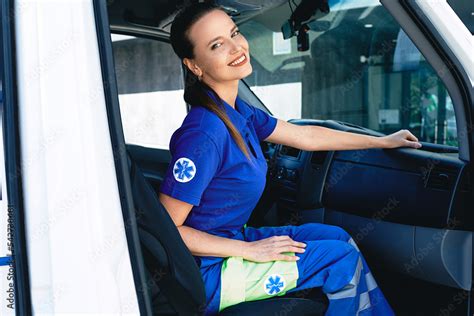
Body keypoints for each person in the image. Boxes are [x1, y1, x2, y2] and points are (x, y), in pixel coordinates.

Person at [159, 3, 421, 315]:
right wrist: (248, 250)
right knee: (340, 260)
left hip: (229, 241)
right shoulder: (204, 133)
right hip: (209, 273)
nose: (236, 47)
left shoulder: (236, 112)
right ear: (194, 65)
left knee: (337, 237)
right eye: (217, 45)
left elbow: (305, 137)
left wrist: (380, 141)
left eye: (234, 33)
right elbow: (168, 228)